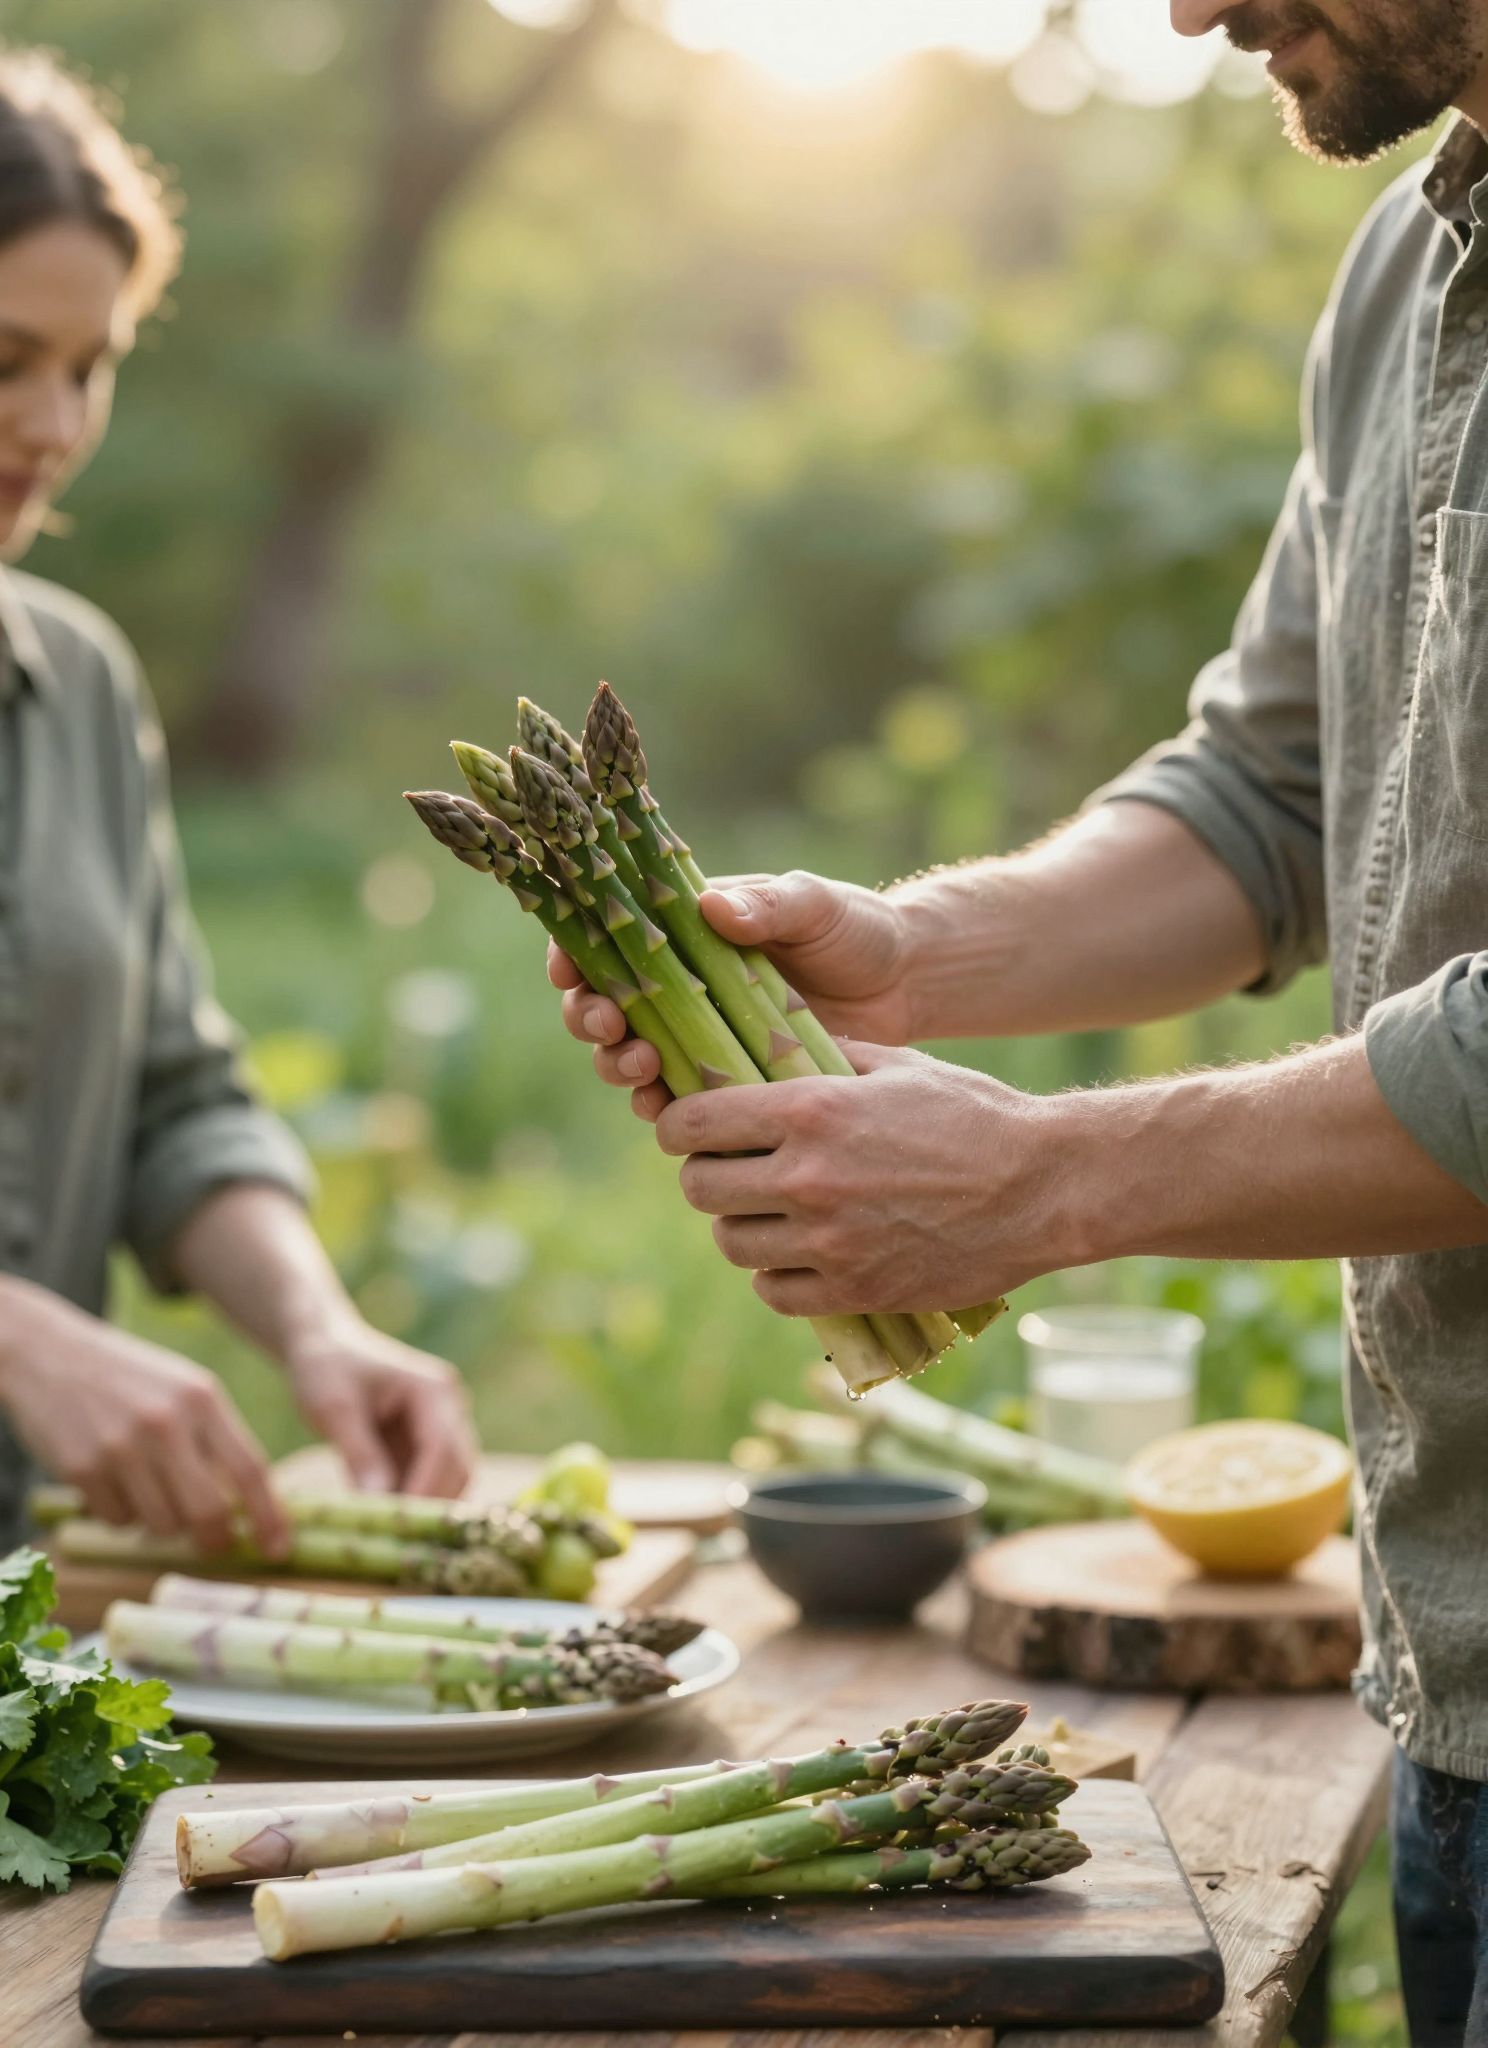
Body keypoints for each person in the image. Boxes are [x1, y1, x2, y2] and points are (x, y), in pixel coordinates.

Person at [553, 2, 1488, 2035]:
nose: (1180, 10)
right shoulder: (1413, 263)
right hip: (1460, 1659)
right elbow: (1277, 796)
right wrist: (911, 950)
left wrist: (1048, 1182)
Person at [0, 46, 476, 1563]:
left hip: (16, 1624)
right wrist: (8, 1337)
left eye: (91, 366)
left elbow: (173, 1101)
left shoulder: (84, 687)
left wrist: (320, 1327)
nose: (55, 425)